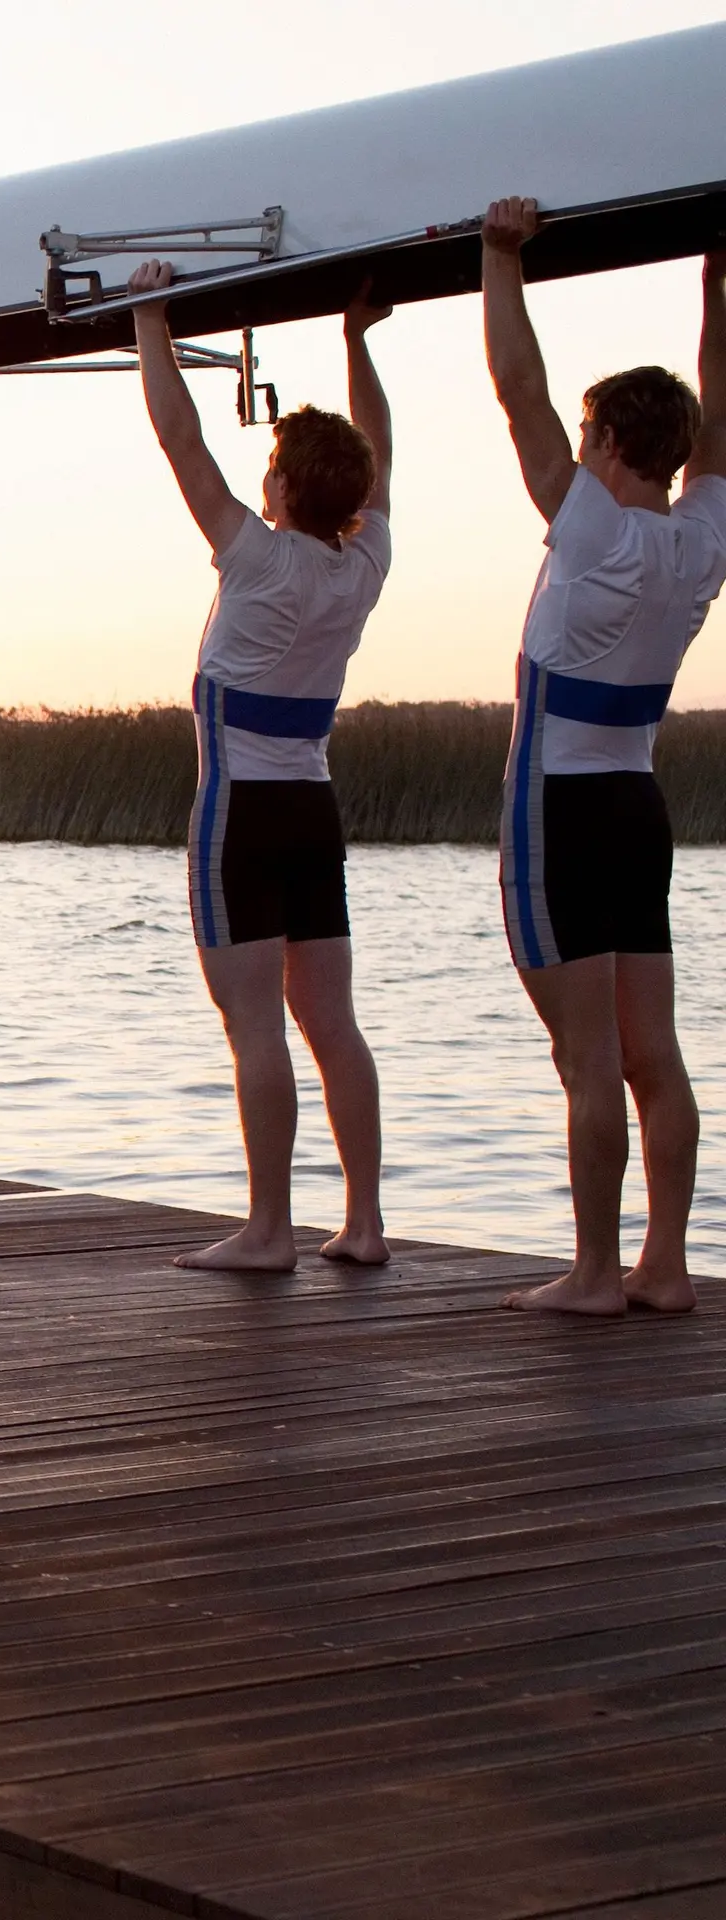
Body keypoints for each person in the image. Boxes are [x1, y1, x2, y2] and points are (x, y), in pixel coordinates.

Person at [483, 203, 726, 1316]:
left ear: (610, 449)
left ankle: (590, 1273)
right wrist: (715, 287)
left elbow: (516, 394)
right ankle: (664, 1268)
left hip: (559, 812)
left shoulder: (594, 528)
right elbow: (720, 417)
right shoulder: (702, 536)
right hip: (638, 805)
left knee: (586, 1058)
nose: (574, 450)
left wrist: (500, 259)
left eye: (588, 438)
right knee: (651, 1055)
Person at [130, 263, 394, 1271]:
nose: (263, 477)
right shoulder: (365, 563)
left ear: (281, 490)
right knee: (332, 1023)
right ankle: (363, 1223)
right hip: (312, 812)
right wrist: (356, 341)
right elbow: (383, 461)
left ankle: (271, 1230)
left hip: (238, 815)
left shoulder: (254, 554)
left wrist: (150, 317)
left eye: (273, 467)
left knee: (255, 1027)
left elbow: (180, 439)